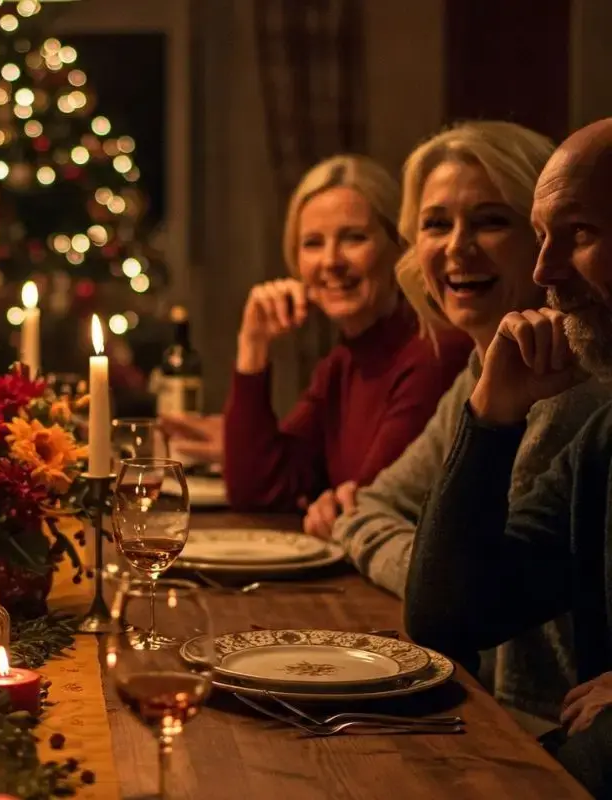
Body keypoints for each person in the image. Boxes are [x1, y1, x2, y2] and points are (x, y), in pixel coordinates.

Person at [328, 122, 610, 723]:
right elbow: (446, 599)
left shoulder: (584, 398)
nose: (545, 269)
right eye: (436, 224)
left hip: (531, 723)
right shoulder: (492, 378)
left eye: (490, 220)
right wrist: (491, 412)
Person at [405, 117, 612, 798]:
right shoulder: (604, 440)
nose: (544, 272)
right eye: (543, 236)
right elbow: (449, 614)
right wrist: (491, 417)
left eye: (578, 235)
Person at [170, 155, 472, 522]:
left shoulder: (434, 352)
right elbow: (259, 489)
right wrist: (253, 346)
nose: (331, 261)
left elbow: (367, 511)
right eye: (313, 243)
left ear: (400, 245)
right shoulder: (342, 364)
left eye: (353, 238)